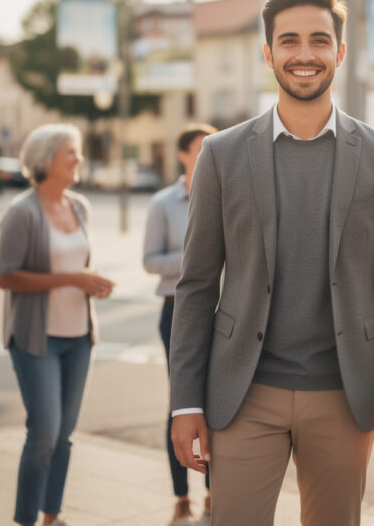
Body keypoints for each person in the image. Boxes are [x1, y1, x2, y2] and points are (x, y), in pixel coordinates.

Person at [168, 0, 374, 526]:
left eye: (318, 40)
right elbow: (194, 286)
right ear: (268, 53)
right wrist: (185, 401)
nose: (304, 55)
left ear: (340, 51)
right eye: (288, 41)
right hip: (242, 391)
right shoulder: (220, 154)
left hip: (345, 392)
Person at [0, 124, 115, 526]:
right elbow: (7, 276)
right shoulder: (21, 212)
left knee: (64, 435)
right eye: (72, 153)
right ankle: (26, 519)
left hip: (80, 337)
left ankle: (52, 516)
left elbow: (75, 263)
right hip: (37, 339)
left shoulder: (80, 206)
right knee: (44, 433)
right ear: (45, 159)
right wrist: (73, 279)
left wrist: (91, 280)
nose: (79, 159)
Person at [143, 123, 217, 526]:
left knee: (221, 404)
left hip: (222, 313)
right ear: (183, 155)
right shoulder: (162, 204)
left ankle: (212, 492)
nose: (211, 154)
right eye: (203, 148)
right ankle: (180, 496)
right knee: (182, 402)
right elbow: (150, 260)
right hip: (175, 311)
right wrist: (199, 259)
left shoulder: (229, 191)